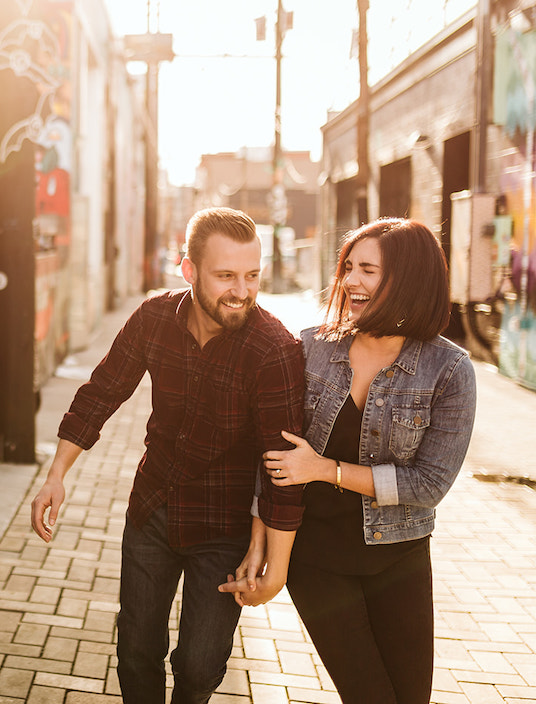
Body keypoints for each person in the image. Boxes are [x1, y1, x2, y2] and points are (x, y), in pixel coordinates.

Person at [31, 207, 306, 703]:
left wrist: (276, 565)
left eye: (251, 275)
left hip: (223, 528)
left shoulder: (273, 349)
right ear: (189, 270)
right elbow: (102, 391)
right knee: (136, 652)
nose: (241, 291)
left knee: (199, 666)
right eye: (225, 276)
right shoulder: (155, 317)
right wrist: (56, 474)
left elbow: (282, 464)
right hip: (152, 508)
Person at [224, 218, 477, 704]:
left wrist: (326, 469)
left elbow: (430, 484)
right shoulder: (311, 349)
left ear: (408, 279)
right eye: (348, 268)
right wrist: (259, 542)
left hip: (399, 556)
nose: (350, 281)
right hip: (317, 557)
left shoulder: (448, 370)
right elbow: (272, 455)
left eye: (368, 271)